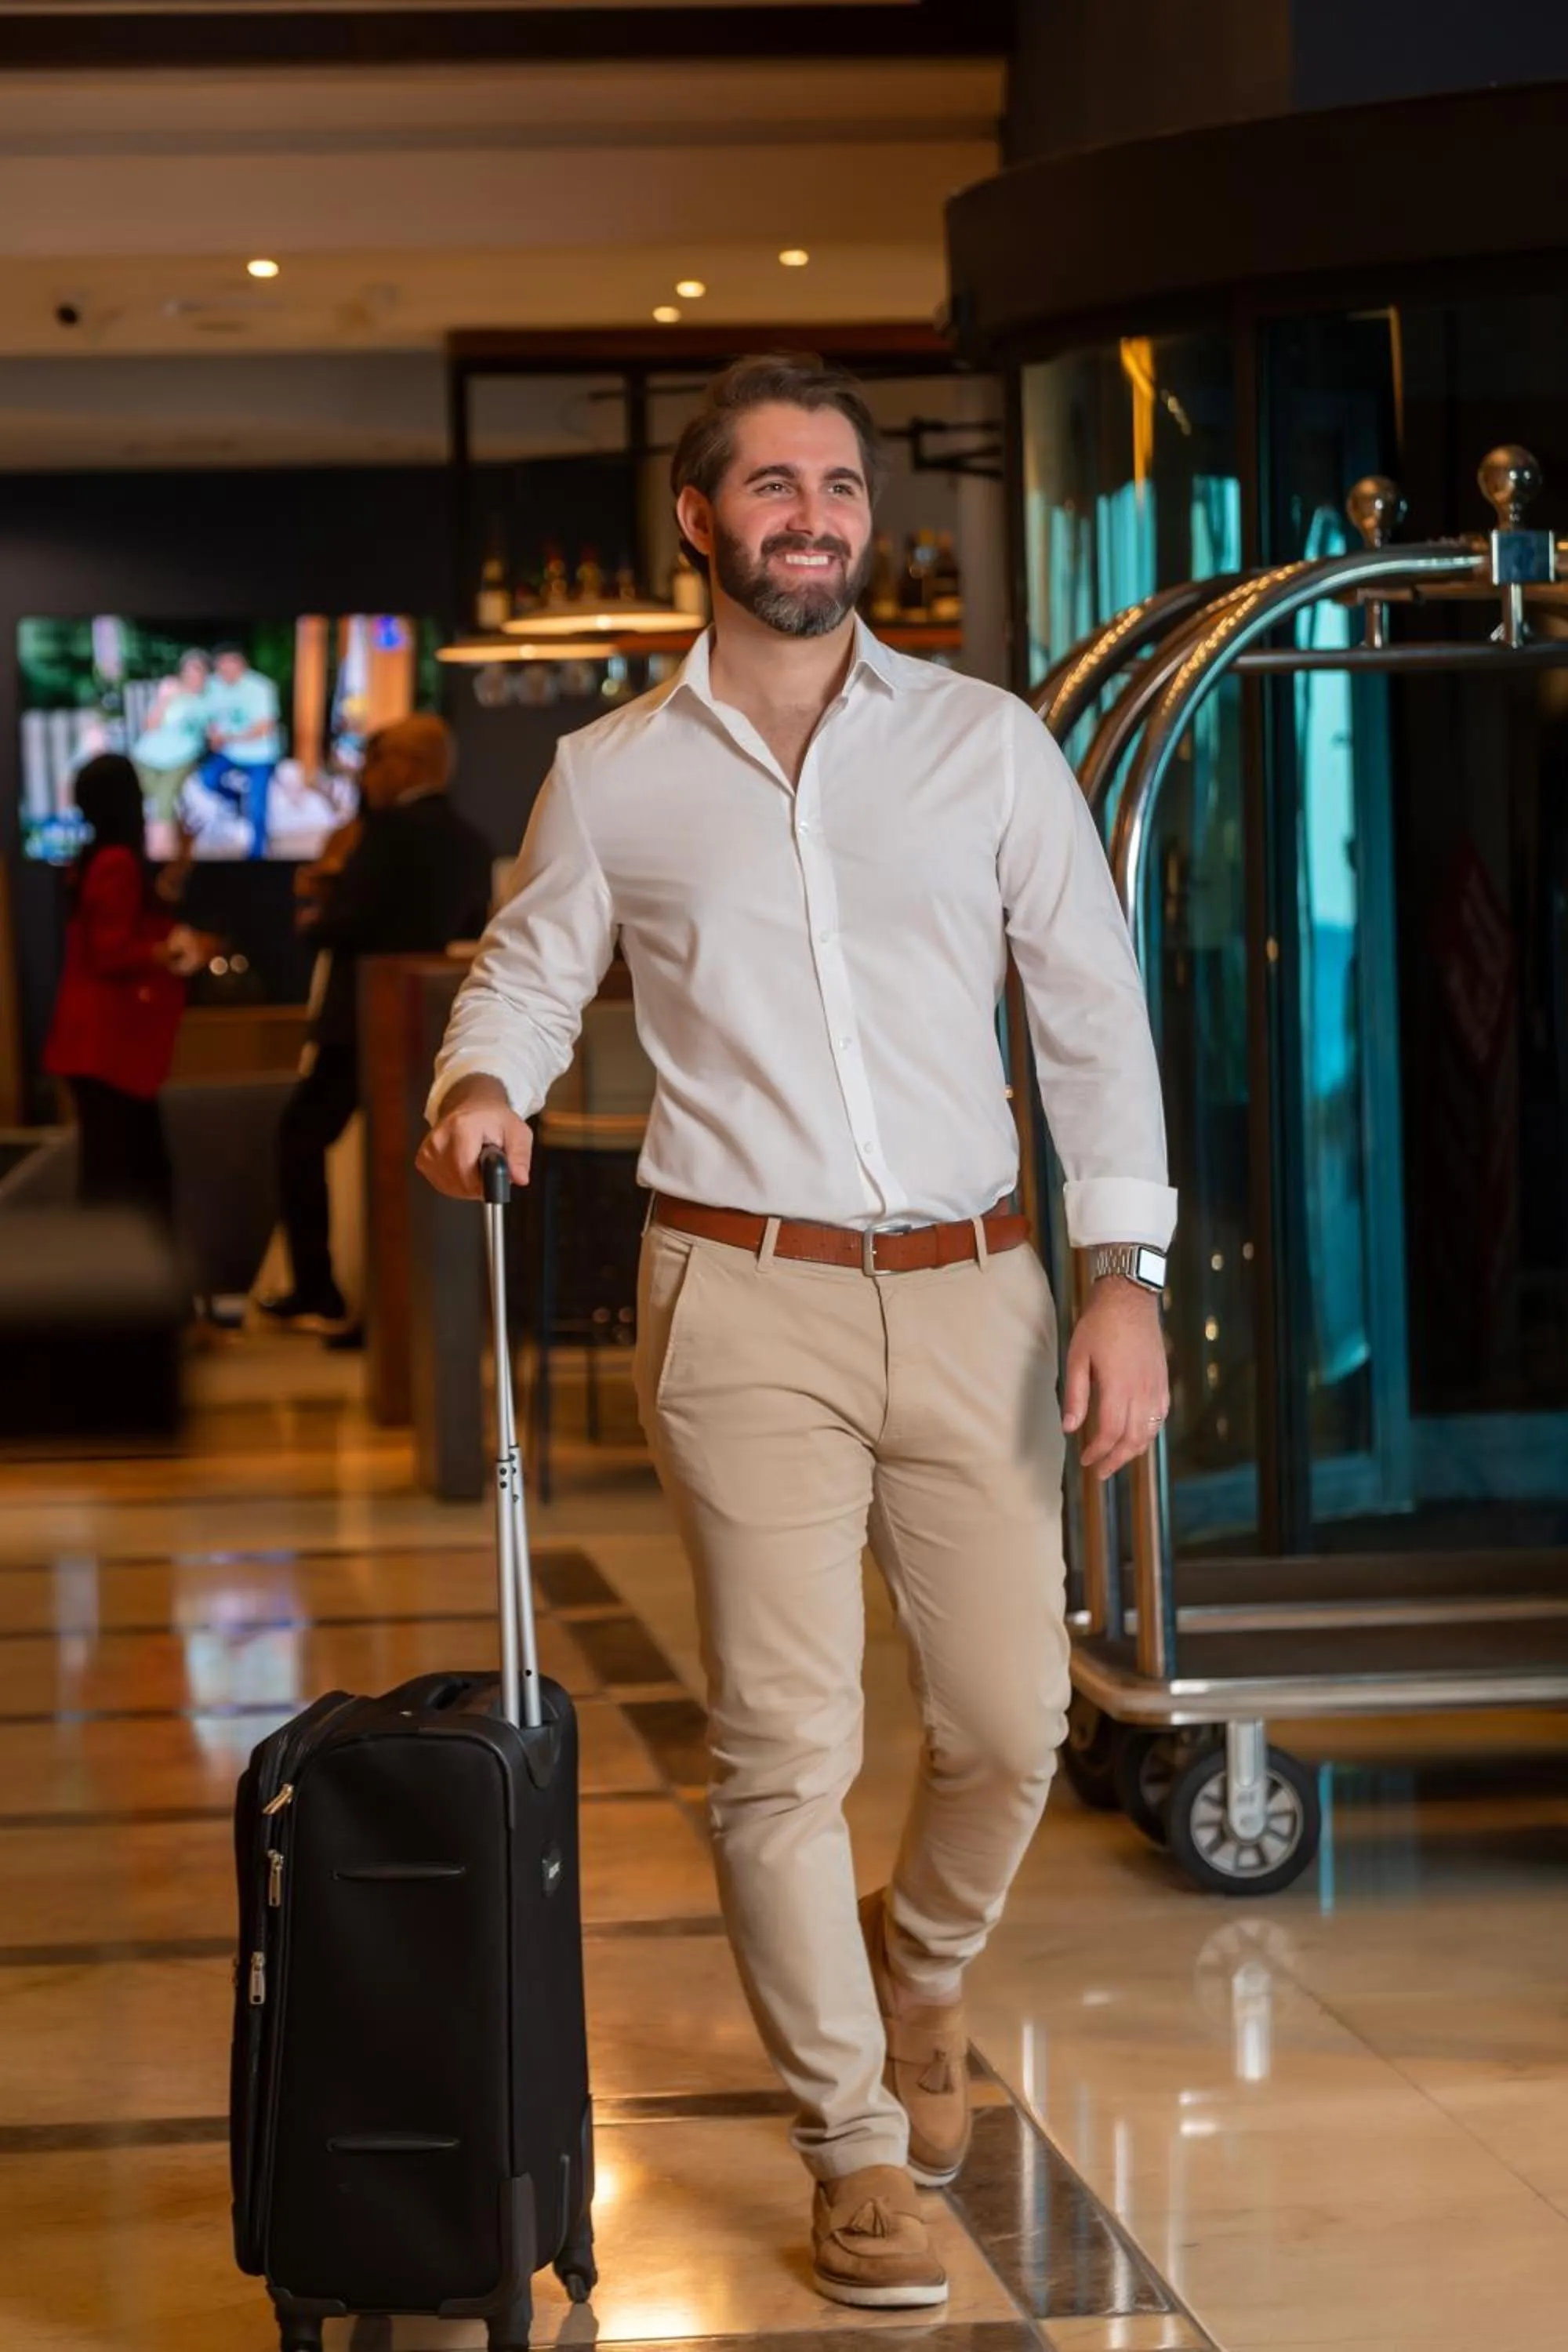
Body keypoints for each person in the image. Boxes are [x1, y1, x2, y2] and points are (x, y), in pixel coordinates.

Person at [417, 355, 1176, 2309]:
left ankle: (912, 1963)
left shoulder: (985, 745)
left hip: (977, 1284)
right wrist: (479, 1082)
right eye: (774, 484)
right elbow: (526, 961)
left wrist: (1124, 1275)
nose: (815, 514)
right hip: (733, 1290)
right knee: (782, 1741)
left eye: (837, 483)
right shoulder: (613, 770)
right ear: (701, 519)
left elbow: (1086, 1008)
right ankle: (850, 2142)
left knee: (1011, 1718)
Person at [260, 714, 492, 1336]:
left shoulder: (386, 832)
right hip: (440, 1024)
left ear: (408, 766)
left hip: (360, 1018)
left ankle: (321, 1291)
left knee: (300, 1140)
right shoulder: (471, 840)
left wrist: (317, 911)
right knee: (410, 1167)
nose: (365, 775)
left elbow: (349, 925)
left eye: (375, 761)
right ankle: (408, 1311)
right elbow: (473, 926)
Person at [43, 753, 213, 1220]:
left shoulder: (97, 858)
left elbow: (139, 915)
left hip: (92, 1045)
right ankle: (122, 1285)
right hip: (106, 1047)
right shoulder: (116, 861)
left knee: (119, 1175)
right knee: (127, 1182)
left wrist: (180, 863)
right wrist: (173, 951)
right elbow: (111, 950)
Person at [200, 643, 282, 858]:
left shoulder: (261, 687)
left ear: (241, 664)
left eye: (228, 667)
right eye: (220, 668)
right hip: (229, 753)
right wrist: (212, 734)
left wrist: (228, 738)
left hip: (260, 755)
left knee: (257, 806)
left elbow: (265, 727)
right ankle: (236, 800)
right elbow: (207, 716)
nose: (224, 673)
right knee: (208, 779)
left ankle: (256, 854)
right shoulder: (213, 685)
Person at [132, 648, 212, 840]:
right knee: (135, 795)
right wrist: (163, 699)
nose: (192, 677)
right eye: (189, 672)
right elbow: (150, 727)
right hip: (146, 756)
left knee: (164, 800)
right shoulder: (170, 693)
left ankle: (161, 850)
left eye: (197, 672)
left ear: (205, 675)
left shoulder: (207, 699)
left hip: (180, 758)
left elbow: (210, 730)